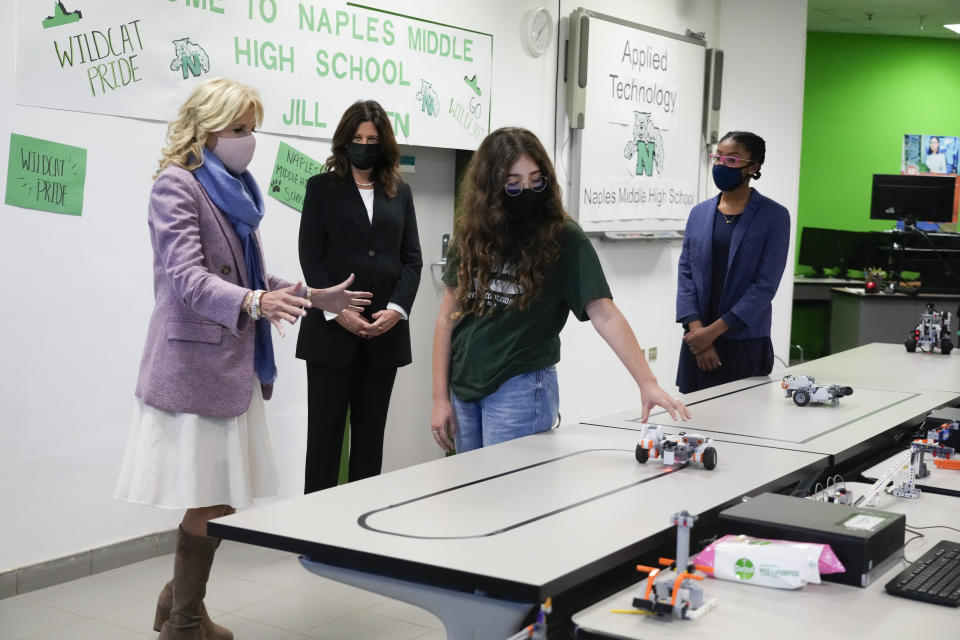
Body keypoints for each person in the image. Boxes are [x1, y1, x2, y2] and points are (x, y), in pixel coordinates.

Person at [114, 77, 370, 640]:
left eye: (252, 129)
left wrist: (313, 296)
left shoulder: (234, 190)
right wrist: (254, 302)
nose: (249, 140)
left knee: (222, 498)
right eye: (239, 129)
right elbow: (186, 279)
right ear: (205, 130)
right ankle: (183, 622)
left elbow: (252, 275)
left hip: (232, 366)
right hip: (194, 369)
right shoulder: (175, 187)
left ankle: (179, 604)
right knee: (210, 500)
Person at [430, 127, 689, 453]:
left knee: (509, 495)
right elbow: (446, 319)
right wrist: (440, 398)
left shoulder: (563, 237)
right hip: (465, 385)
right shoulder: (472, 232)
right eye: (513, 182)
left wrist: (647, 381)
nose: (526, 189)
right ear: (489, 185)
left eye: (535, 180)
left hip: (519, 385)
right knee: (471, 494)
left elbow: (604, 313)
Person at [297, 100, 423, 493]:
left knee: (369, 444)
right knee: (324, 443)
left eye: (372, 139)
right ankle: (313, 535)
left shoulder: (399, 192)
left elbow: (412, 259)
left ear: (384, 144)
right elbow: (311, 257)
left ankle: (359, 539)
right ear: (344, 141)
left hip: (383, 336)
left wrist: (397, 310)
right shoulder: (320, 189)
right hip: (331, 336)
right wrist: (336, 311)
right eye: (357, 138)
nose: (364, 145)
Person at [675, 131, 790, 394]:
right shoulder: (699, 213)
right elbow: (686, 274)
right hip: (697, 338)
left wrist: (712, 333)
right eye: (718, 157)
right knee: (694, 424)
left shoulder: (774, 216)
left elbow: (765, 285)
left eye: (732, 159)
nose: (721, 165)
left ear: (753, 167)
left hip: (744, 340)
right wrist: (699, 334)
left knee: (742, 425)